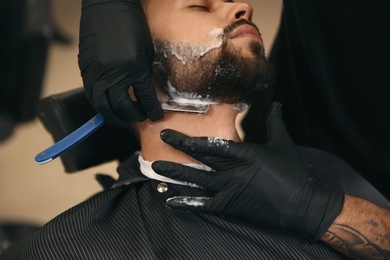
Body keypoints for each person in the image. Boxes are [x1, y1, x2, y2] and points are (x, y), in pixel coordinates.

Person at [3, 0, 389, 259]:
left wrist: (314, 208)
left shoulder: (328, 175)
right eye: (200, 4)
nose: (243, 6)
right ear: (133, 64)